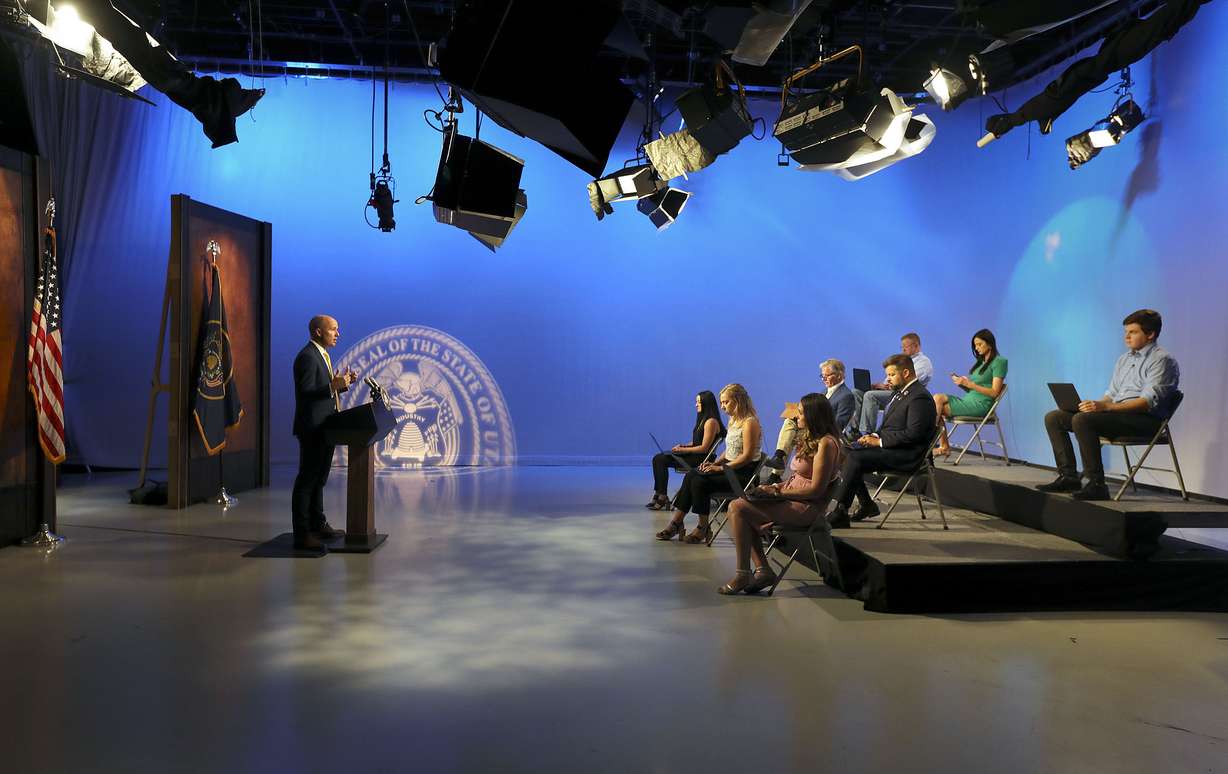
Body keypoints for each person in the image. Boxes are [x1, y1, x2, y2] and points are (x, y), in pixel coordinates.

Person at [50, 1, 264, 147]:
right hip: (166, 78)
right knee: (122, 35)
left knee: (123, 34)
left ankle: (88, 6)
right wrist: (250, 98)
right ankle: (90, 7)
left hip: (168, 76)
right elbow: (233, 92)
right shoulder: (214, 109)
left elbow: (232, 88)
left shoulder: (219, 106)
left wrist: (252, 97)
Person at [1038, 309, 1179, 501]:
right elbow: (1111, 395)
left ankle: (1096, 484)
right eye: (1126, 332)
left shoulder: (1162, 360)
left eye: (1133, 332)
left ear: (1150, 334)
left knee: (1083, 421)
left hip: (1146, 420)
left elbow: (1147, 402)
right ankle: (1069, 477)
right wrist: (1093, 405)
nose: (1127, 337)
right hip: (1119, 415)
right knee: (1055, 417)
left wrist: (1105, 408)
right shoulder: (1124, 359)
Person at [717, 392, 843, 595]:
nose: (796, 417)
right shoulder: (811, 438)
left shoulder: (826, 444)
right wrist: (773, 488)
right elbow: (797, 480)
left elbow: (816, 489)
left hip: (807, 507)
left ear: (813, 416)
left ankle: (748, 572)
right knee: (741, 505)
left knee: (737, 507)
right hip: (791, 496)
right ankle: (759, 570)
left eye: (800, 414)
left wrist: (777, 492)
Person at [828, 354, 937, 527]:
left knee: (855, 458)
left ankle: (841, 511)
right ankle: (866, 504)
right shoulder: (899, 394)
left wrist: (878, 442)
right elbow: (888, 427)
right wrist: (874, 436)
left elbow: (914, 435)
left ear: (907, 373)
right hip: (891, 448)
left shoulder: (920, 397)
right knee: (843, 452)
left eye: (892, 374)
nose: (888, 379)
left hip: (907, 454)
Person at [655, 383, 762, 544]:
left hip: (743, 474)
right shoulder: (734, 420)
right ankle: (678, 523)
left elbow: (746, 456)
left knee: (699, 481)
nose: (723, 406)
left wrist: (719, 467)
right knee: (693, 474)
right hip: (730, 468)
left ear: (738, 400)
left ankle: (700, 527)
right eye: (721, 402)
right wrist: (715, 463)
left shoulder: (750, 423)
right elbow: (730, 450)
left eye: (726, 402)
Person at [291, 315, 358, 550]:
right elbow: (307, 391)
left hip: (325, 427)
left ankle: (318, 524)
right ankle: (302, 533)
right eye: (333, 330)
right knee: (307, 481)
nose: (338, 334)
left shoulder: (323, 355)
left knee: (319, 480)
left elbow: (324, 393)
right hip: (312, 428)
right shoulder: (307, 357)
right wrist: (333, 385)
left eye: (338, 330)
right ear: (318, 332)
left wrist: (343, 383)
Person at [762, 359, 858, 483]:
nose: (824, 379)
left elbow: (839, 424)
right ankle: (778, 460)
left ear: (839, 375)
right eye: (822, 376)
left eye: (827, 376)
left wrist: (810, 420)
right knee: (790, 422)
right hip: (814, 429)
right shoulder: (824, 392)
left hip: (826, 434)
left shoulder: (846, 396)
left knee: (791, 430)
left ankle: (777, 466)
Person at [933, 329, 1008, 457]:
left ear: (990, 344)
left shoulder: (1000, 362)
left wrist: (969, 384)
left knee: (937, 399)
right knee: (935, 406)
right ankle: (944, 446)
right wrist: (962, 384)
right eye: (975, 345)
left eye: (979, 344)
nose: (976, 348)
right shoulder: (980, 363)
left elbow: (995, 392)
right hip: (969, 400)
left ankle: (930, 442)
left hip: (982, 405)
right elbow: (973, 389)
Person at [646, 391, 726, 510]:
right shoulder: (703, 420)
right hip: (695, 455)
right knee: (658, 458)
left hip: (701, 458)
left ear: (706, 403)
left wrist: (684, 451)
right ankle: (659, 493)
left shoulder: (711, 422)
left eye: (699, 402)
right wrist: (683, 447)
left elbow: (704, 448)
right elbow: (696, 442)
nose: (696, 405)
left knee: (660, 459)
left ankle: (662, 496)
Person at [855, 332, 934, 435]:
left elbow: (909, 381)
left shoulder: (923, 362)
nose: (903, 349)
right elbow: (889, 380)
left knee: (870, 395)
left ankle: (867, 432)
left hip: (905, 395)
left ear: (916, 346)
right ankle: (855, 430)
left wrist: (887, 386)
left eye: (906, 346)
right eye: (902, 347)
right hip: (890, 391)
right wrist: (880, 386)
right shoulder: (902, 361)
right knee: (857, 392)